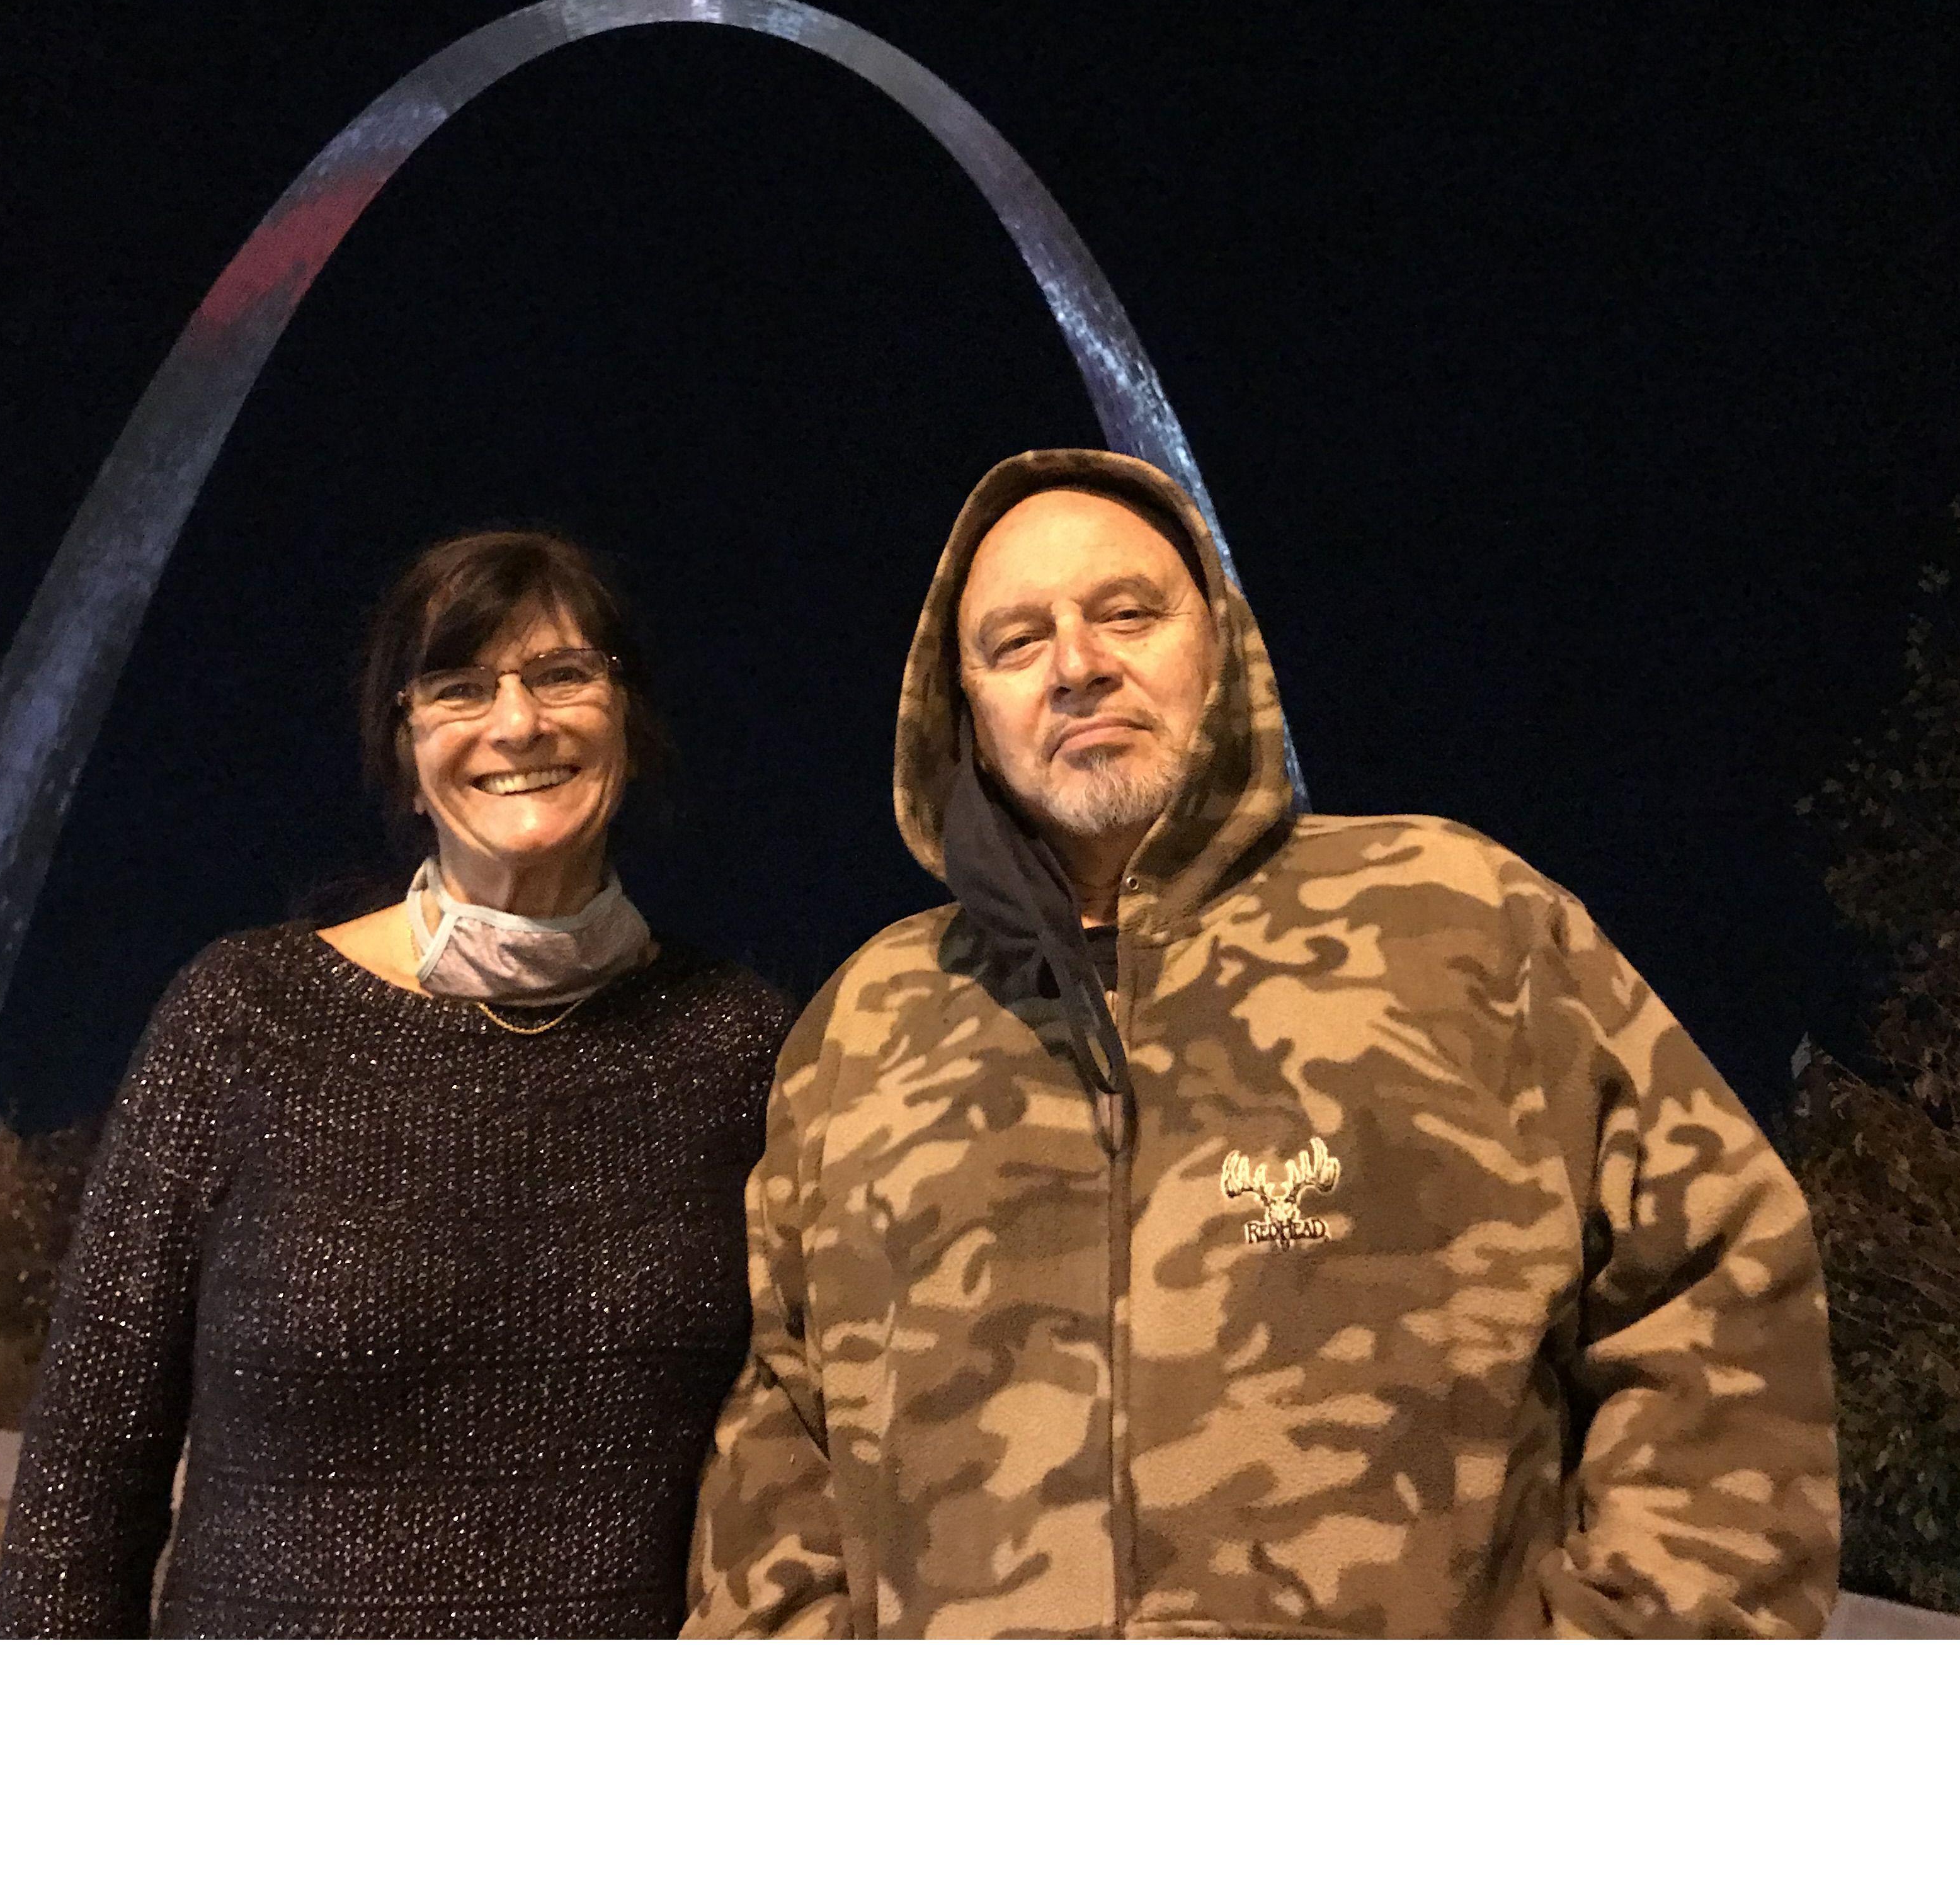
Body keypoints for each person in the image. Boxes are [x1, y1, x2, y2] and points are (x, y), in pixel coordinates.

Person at [685, 447, 1840, 1638]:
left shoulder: (1464, 923)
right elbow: (781, 1425)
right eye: (1017, 644)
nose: (1078, 666)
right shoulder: (868, 1020)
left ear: (1219, 642)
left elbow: (1720, 1285)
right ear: (964, 708)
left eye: (1128, 613)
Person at [0, 529, 792, 1637]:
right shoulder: (244, 1018)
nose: (519, 722)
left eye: (564, 675)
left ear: (631, 723)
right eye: (460, 688)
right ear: (405, 753)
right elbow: (82, 1489)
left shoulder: (737, 1042)